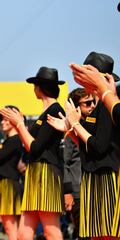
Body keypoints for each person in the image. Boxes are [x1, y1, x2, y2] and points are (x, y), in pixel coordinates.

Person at [50, 52, 120, 238]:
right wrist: (70, 128)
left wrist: (75, 124)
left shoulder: (107, 104)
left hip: (108, 178)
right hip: (93, 178)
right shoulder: (99, 106)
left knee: (109, 236)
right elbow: (86, 144)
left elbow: (99, 147)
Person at [0, 66, 65, 239]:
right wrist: (19, 124)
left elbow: (35, 147)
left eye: (35, 84)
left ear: (39, 87)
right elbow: (28, 145)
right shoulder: (44, 113)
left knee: (51, 231)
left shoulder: (55, 111)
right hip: (34, 173)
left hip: (47, 173)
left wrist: (19, 124)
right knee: (23, 234)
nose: (33, 88)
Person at [63, 88, 96, 239]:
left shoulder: (91, 127)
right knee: (83, 233)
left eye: (94, 102)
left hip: (93, 189)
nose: (92, 106)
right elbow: (64, 162)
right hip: (78, 193)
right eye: (87, 103)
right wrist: (67, 192)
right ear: (76, 108)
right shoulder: (71, 131)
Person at [0, 106, 24, 240]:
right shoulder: (11, 141)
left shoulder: (15, 140)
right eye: (2, 120)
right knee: (12, 226)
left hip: (8, 185)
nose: (2, 122)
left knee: (10, 226)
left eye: (6, 119)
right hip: (9, 183)